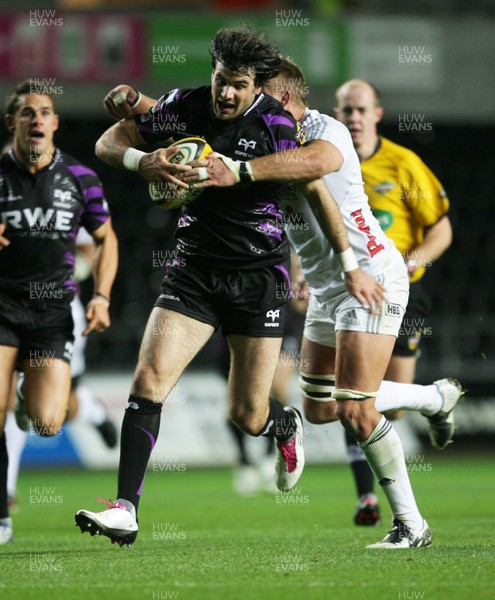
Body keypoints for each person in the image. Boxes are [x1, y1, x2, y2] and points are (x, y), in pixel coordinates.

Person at [182, 56, 463, 548]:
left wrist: (240, 170)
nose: (248, 104)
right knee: (317, 409)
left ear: (283, 98)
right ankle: (434, 399)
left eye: (258, 96)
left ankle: (411, 525)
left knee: (356, 407)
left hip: (368, 277)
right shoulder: (270, 137)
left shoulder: (323, 130)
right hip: (326, 287)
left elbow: (318, 164)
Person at [74, 27, 314, 547]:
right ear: (212, 72)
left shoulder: (275, 122)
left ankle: (284, 426)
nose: (228, 94)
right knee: (148, 380)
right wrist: (146, 160)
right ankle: (125, 509)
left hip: (257, 277)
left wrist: (241, 173)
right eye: (222, 80)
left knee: (249, 415)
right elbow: (108, 140)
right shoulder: (183, 106)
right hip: (194, 272)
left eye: (240, 85)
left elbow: (306, 168)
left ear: (257, 86)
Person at [0, 80, 118, 544]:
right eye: (27, 112)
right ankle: (2, 516)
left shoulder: (81, 177)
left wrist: (102, 295)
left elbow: (106, 239)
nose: (37, 120)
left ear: (55, 123)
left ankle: (47, 398)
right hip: (2, 304)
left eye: (44, 112)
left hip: (52, 311)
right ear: (13, 122)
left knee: (45, 421)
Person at [333, 79, 454, 525]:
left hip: (398, 287)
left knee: (391, 404)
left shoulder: (403, 164)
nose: (354, 118)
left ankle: (432, 399)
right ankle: (367, 497)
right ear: (337, 114)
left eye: (361, 110)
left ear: (377, 114)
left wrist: (413, 262)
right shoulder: (329, 162)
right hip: (347, 289)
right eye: (346, 110)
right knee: (350, 392)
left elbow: (441, 228)